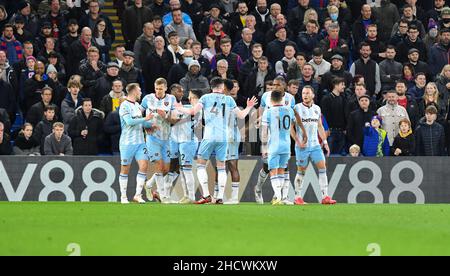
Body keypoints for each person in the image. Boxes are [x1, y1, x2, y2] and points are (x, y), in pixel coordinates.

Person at [175, 77, 257, 204]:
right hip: (224, 138)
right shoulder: (229, 99)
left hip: (209, 136)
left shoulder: (206, 98)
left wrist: (179, 108)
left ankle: (207, 195)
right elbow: (241, 115)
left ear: (211, 86)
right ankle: (219, 197)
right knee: (221, 167)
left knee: (201, 165)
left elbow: (192, 111)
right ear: (222, 86)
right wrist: (248, 107)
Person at [254, 77, 295, 204]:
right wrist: (259, 119)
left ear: (284, 86)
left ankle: (281, 196)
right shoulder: (266, 95)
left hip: (284, 135)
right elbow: (261, 110)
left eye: (277, 85)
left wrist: (294, 136)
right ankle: (258, 188)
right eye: (273, 85)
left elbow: (291, 118)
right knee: (268, 167)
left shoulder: (290, 98)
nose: (274, 87)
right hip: (269, 134)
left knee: (284, 166)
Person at [293, 86, 337, 205]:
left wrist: (325, 142)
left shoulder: (317, 109)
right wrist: (297, 140)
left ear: (312, 95)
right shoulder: (296, 108)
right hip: (302, 146)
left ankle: (325, 197)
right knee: (301, 170)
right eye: (303, 93)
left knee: (322, 168)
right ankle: (297, 197)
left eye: (307, 93)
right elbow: (291, 127)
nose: (305, 95)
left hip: (316, 145)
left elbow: (319, 126)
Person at [141, 78, 178, 203]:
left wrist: (165, 116)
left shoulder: (171, 99)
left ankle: (149, 184)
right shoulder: (148, 98)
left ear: (166, 88)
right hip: (152, 137)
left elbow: (174, 120)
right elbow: (137, 114)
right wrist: (145, 126)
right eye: (156, 88)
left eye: (160, 89)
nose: (158, 91)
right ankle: (163, 196)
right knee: (159, 165)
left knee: (166, 169)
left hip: (166, 138)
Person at [118, 83, 154, 204]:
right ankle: (123, 197)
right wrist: (145, 119)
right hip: (127, 142)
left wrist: (150, 125)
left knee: (144, 166)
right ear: (133, 91)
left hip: (140, 142)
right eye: (139, 90)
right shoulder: (124, 105)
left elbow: (140, 123)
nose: (140, 93)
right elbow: (129, 121)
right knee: (125, 169)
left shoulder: (138, 106)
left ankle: (138, 195)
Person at [321, 77, 348, 155]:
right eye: (342, 84)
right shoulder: (326, 99)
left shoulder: (343, 98)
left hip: (341, 132)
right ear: (336, 85)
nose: (344, 86)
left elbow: (344, 115)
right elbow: (323, 116)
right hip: (330, 132)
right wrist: (326, 129)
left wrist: (345, 128)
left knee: (339, 156)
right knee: (328, 155)